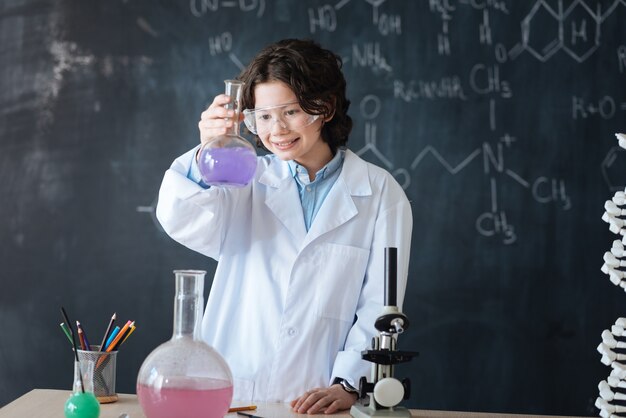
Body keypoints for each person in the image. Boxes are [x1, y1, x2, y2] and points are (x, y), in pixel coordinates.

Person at [156, 38, 412, 414]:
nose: (275, 130)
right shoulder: (244, 178)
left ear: (325, 107)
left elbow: (380, 305)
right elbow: (182, 218)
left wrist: (349, 383)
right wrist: (204, 154)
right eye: (262, 116)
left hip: (320, 396)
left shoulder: (379, 193)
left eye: (290, 112)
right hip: (234, 387)